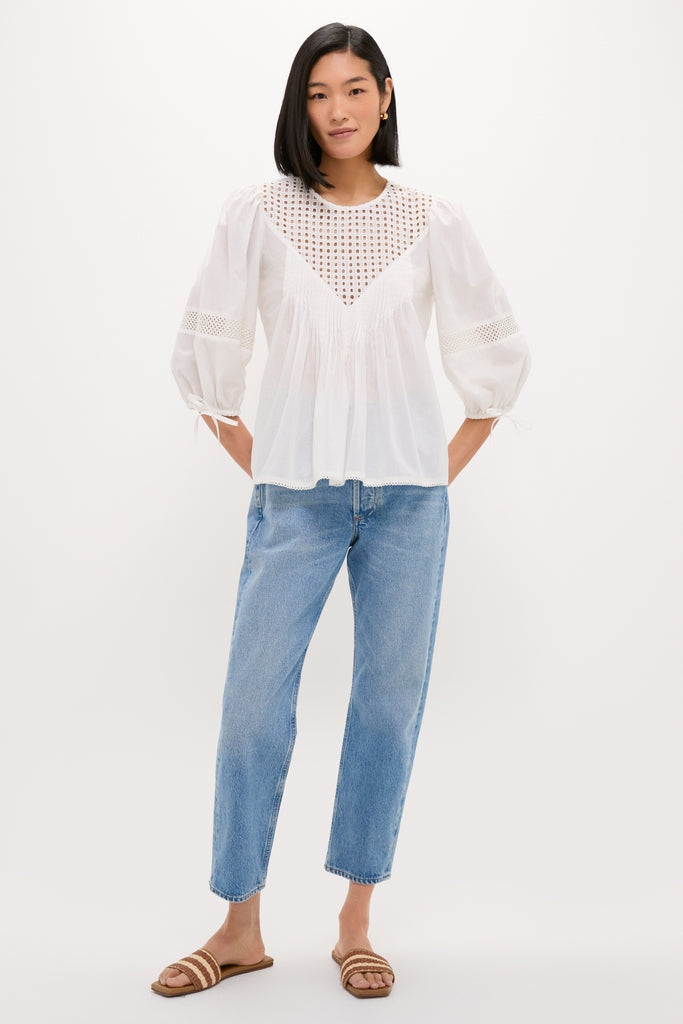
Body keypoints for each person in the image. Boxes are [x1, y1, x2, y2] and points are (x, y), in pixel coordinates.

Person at [152, 22, 531, 1001]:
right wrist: (264, 460)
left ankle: (354, 923)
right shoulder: (257, 214)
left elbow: (493, 368)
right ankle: (239, 926)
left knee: (384, 707)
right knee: (250, 708)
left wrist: (432, 470)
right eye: (319, 94)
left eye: (355, 89)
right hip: (294, 501)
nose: (338, 110)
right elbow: (206, 361)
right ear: (299, 106)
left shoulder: (432, 219)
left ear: (386, 96)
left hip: (409, 506)